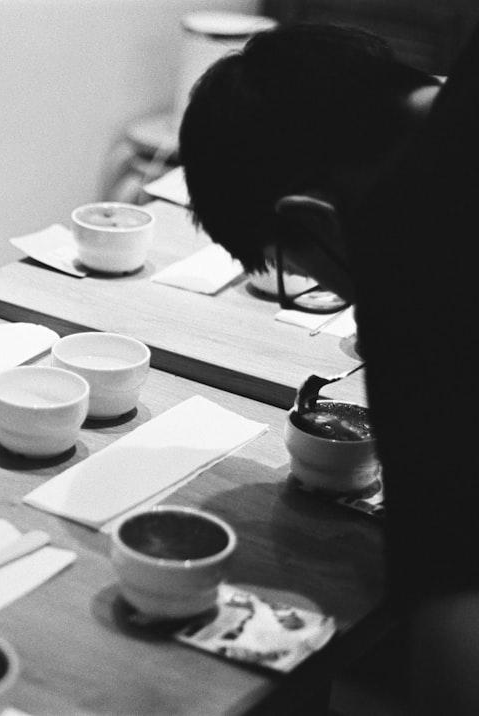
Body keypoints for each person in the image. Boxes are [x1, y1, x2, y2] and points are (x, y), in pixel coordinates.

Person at [179, 22, 479, 713]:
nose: (347, 302)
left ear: (313, 221)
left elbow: (456, 649)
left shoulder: (417, 284)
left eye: (318, 281)